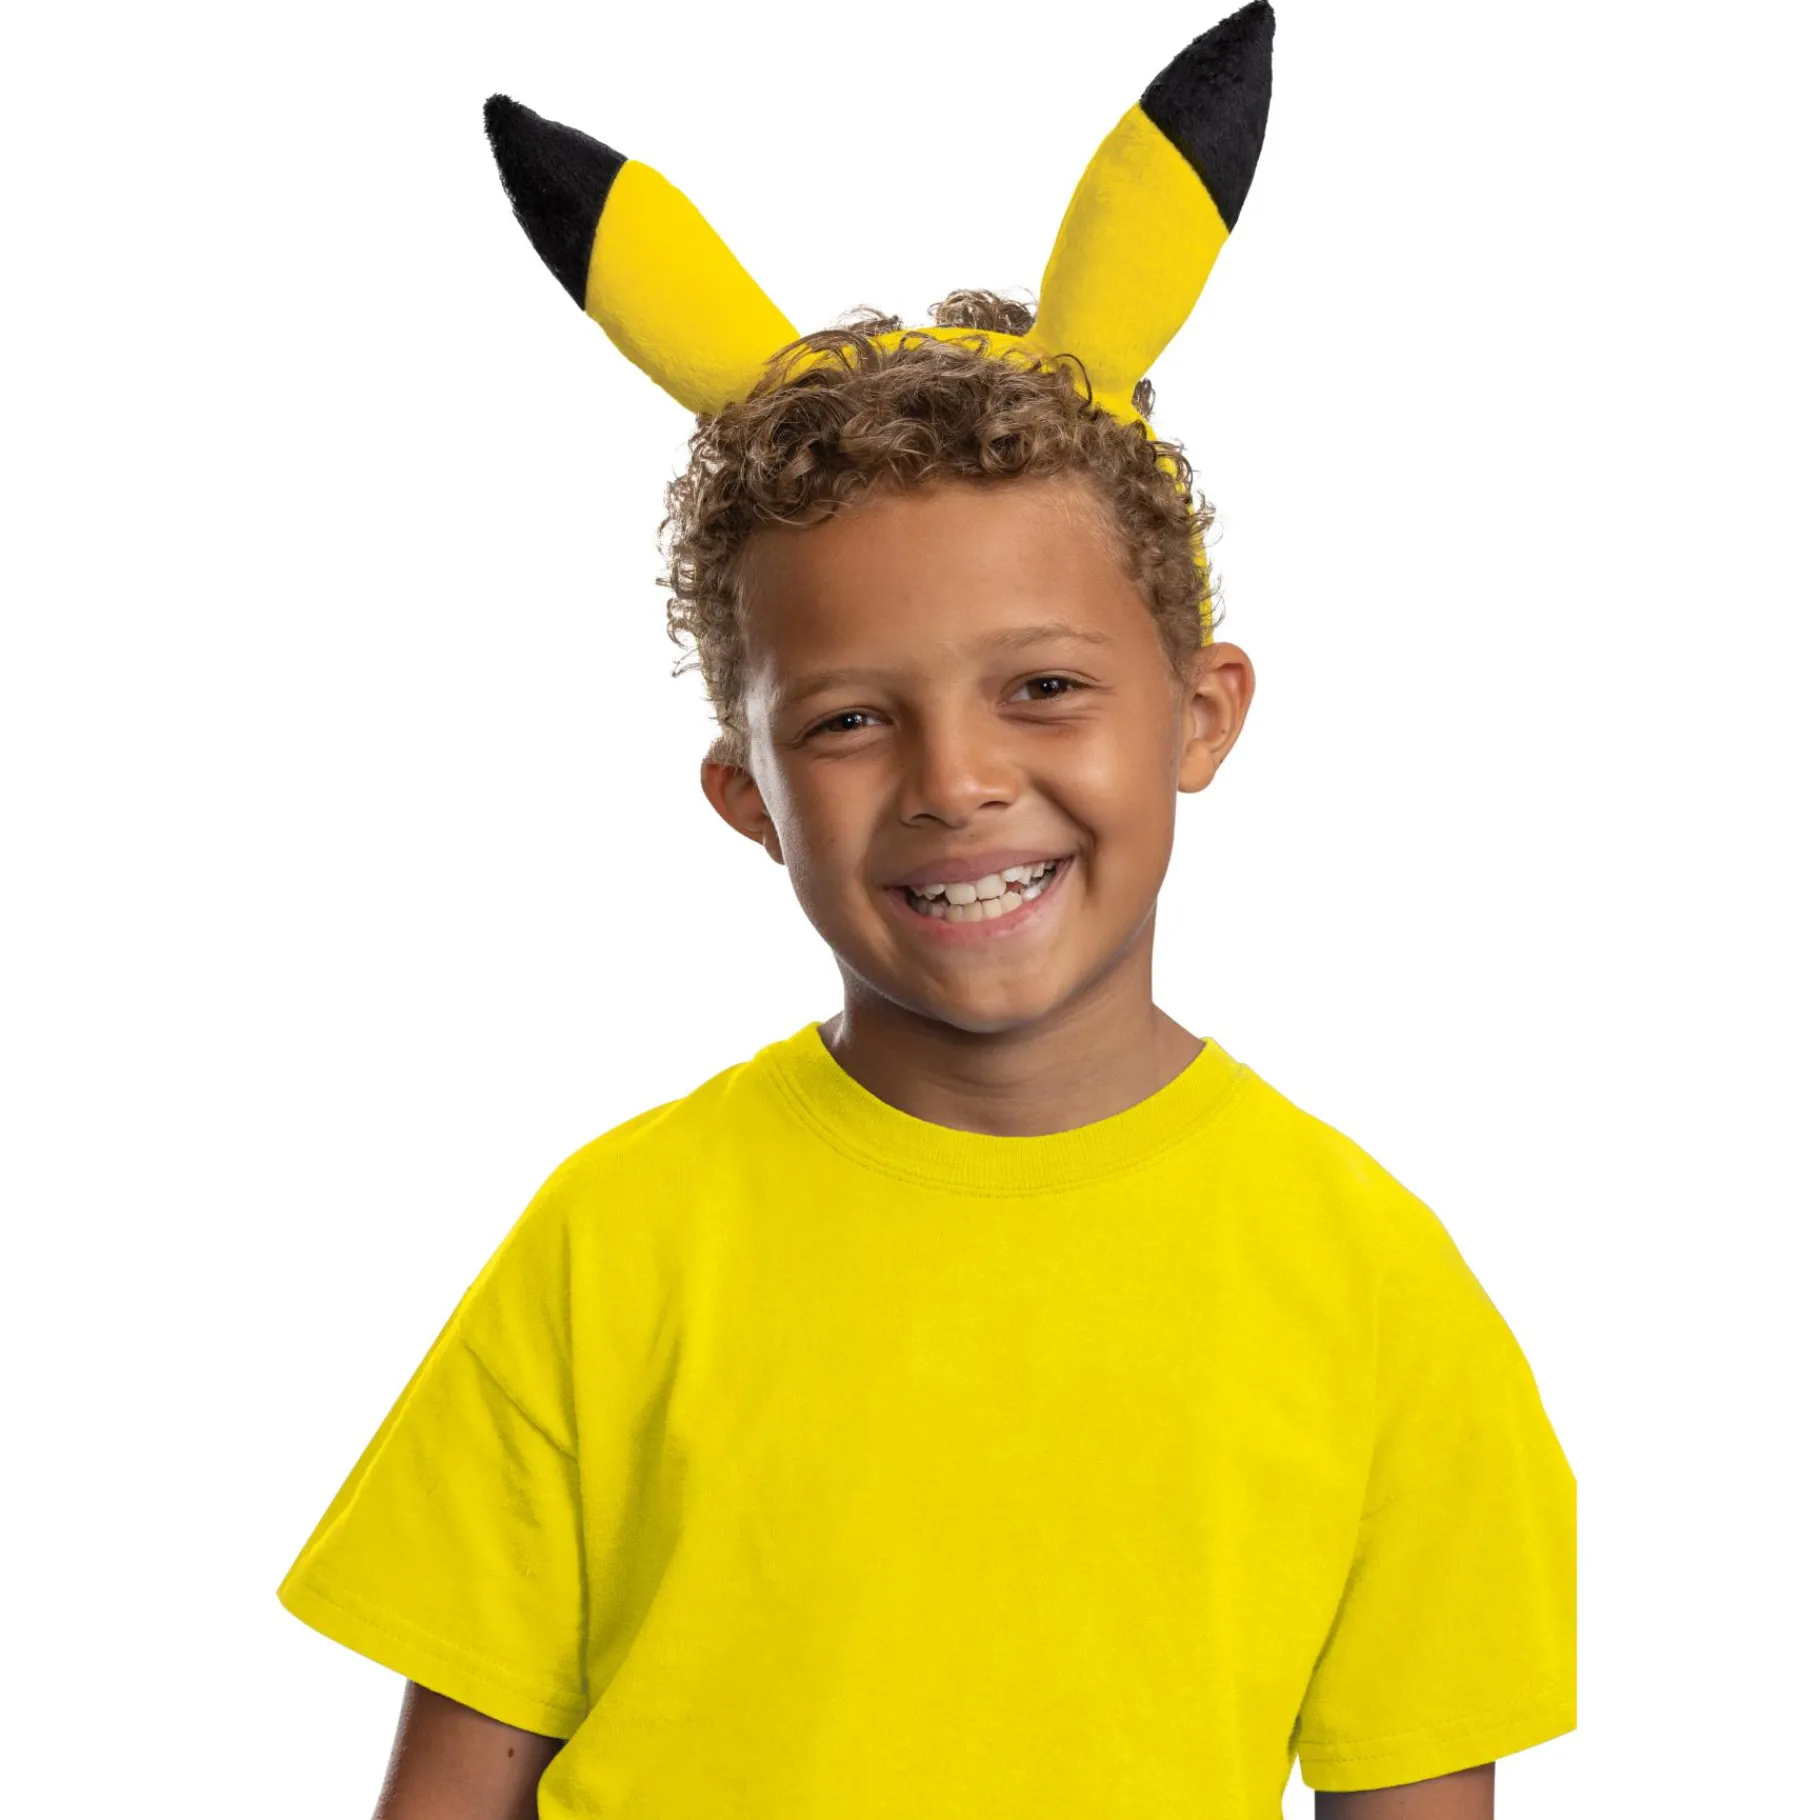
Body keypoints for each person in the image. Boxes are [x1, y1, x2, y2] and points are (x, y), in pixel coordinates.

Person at [276, 8, 1575, 1816]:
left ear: (1200, 715)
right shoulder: (612, 1245)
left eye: (1043, 688)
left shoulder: (1378, 1295)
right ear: (749, 797)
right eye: (849, 721)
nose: (956, 782)